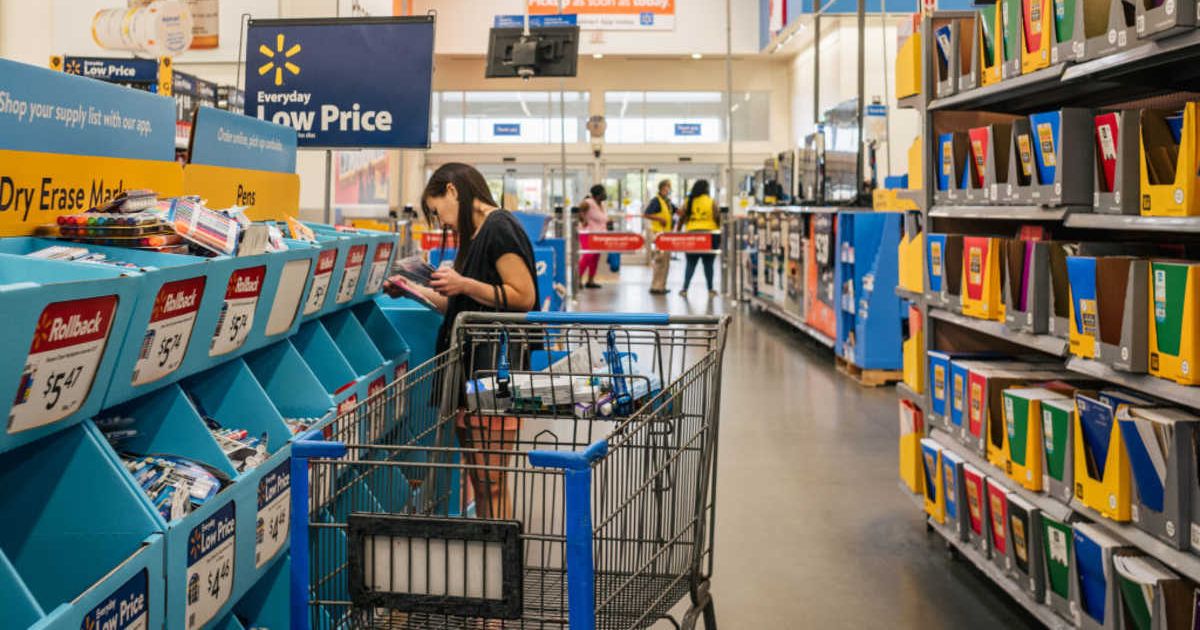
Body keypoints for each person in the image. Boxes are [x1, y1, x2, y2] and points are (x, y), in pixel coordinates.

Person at [393, 162, 538, 518]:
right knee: (481, 478)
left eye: (438, 209)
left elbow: (523, 296)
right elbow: (462, 305)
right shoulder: (475, 236)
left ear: (453, 192)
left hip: (495, 372)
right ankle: (492, 550)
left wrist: (463, 283)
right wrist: (413, 290)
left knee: (492, 480)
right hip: (472, 372)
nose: (441, 222)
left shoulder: (500, 227)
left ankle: (504, 560)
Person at [678, 179, 721, 298]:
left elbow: (682, 217)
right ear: (706, 189)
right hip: (709, 234)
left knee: (690, 263)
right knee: (708, 264)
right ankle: (710, 289)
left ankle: (685, 289)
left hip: (692, 235)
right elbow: (718, 217)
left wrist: (677, 231)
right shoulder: (711, 201)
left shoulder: (688, 201)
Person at [643, 179, 675, 295]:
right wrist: (659, 219)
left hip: (666, 234)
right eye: (667, 187)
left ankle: (661, 286)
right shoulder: (656, 201)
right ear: (662, 188)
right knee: (660, 260)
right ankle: (655, 286)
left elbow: (678, 211)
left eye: (669, 187)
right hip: (659, 234)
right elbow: (646, 214)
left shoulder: (667, 201)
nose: (669, 189)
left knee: (666, 262)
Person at [577, 184, 608, 289]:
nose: (605, 194)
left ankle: (590, 280)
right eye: (603, 192)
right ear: (597, 194)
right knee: (588, 256)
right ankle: (577, 279)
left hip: (598, 235)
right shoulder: (589, 202)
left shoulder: (601, 205)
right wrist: (583, 220)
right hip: (588, 234)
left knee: (595, 258)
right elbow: (578, 210)